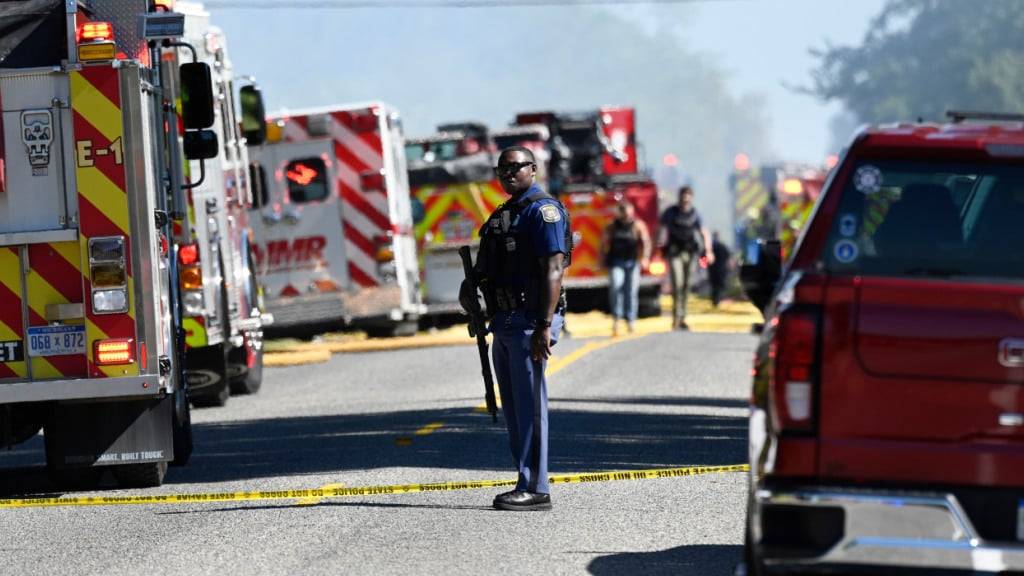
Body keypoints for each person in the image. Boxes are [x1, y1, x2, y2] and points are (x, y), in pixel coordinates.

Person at [460, 146, 570, 511]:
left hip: (529, 320)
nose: (508, 173)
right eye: (502, 168)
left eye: (516, 166)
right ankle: (524, 478)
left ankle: (537, 488)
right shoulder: (502, 215)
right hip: (503, 321)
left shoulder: (544, 212)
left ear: (533, 169)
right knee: (514, 409)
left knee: (530, 407)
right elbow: (483, 270)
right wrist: (470, 296)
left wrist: (543, 326)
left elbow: (553, 270)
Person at [658, 186, 713, 330]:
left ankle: (683, 317)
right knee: (677, 284)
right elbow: (662, 230)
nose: (685, 198)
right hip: (675, 252)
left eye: (688, 195)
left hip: (690, 252)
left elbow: (704, 232)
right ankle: (676, 317)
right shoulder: (671, 213)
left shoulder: (694, 214)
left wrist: (708, 250)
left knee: (687, 285)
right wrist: (659, 245)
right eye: (683, 195)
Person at [601, 201, 651, 336]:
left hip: (632, 262)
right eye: (624, 213)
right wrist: (602, 260)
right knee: (616, 287)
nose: (626, 217)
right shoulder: (612, 226)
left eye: (629, 213)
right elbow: (604, 243)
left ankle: (630, 320)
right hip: (616, 262)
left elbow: (646, 242)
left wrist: (645, 258)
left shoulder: (637, 225)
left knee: (631, 291)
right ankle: (617, 318)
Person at [707, 231, 732, 307]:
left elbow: (704, 259)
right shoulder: (722, 246)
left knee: (714, 286)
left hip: (712, 270)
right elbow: (729, 258)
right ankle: (717, 300)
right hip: (721, 269)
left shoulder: (710, 247)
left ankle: (715, 300)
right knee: (720, 286)